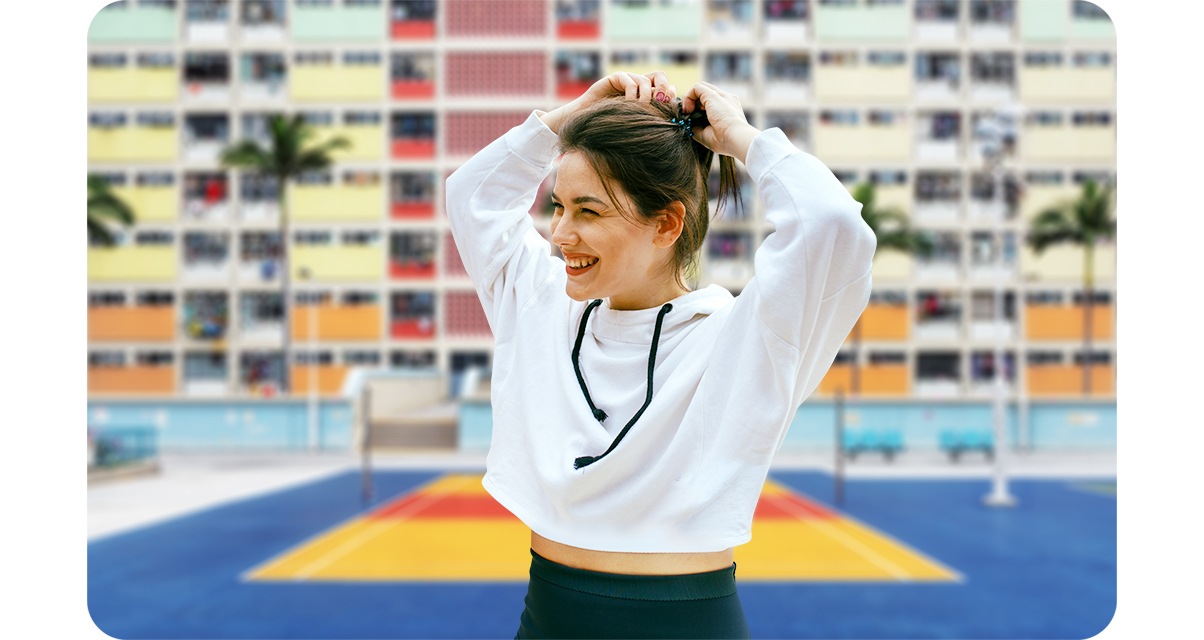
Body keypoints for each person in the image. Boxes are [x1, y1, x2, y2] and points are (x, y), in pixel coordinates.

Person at [446, 71, 876, 639]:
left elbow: (834, 224)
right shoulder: (538, 306)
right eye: (558, 206)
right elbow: (471, 196)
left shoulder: (746, 336)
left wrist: (742, 137)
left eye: (589, 212)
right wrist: (567, 120)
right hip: (549, 616)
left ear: (668, 222)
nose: (559, 234)